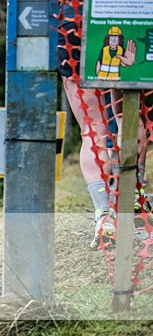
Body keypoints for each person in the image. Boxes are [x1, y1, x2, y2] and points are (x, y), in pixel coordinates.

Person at [57, 2, 149, 249]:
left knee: (92, 128)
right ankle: (135, 195)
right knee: (129, 116)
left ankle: (104, 215)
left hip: (75, 19)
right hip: (131, 14)